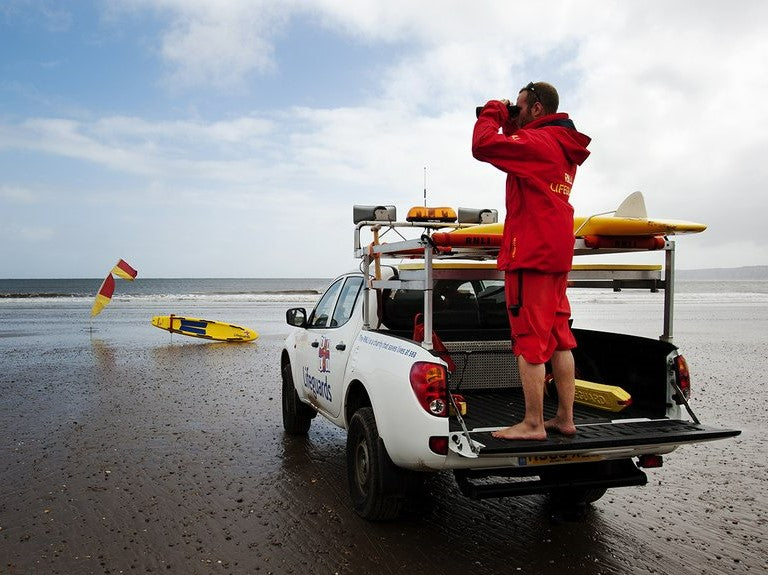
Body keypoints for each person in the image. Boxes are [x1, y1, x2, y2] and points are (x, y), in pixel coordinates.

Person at [472, 81, 591, 440]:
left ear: (537, 108)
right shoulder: (559, 144)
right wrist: (513, 122)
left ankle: (533, 423)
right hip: (555, 254)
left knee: (529, 342)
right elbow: (516, 144)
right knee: (560, 338)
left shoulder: (538, 144)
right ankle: (565, 418)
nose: (515, 113)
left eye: (521, 107)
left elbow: (482, 146)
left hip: (532, 256)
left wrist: (494, 110)